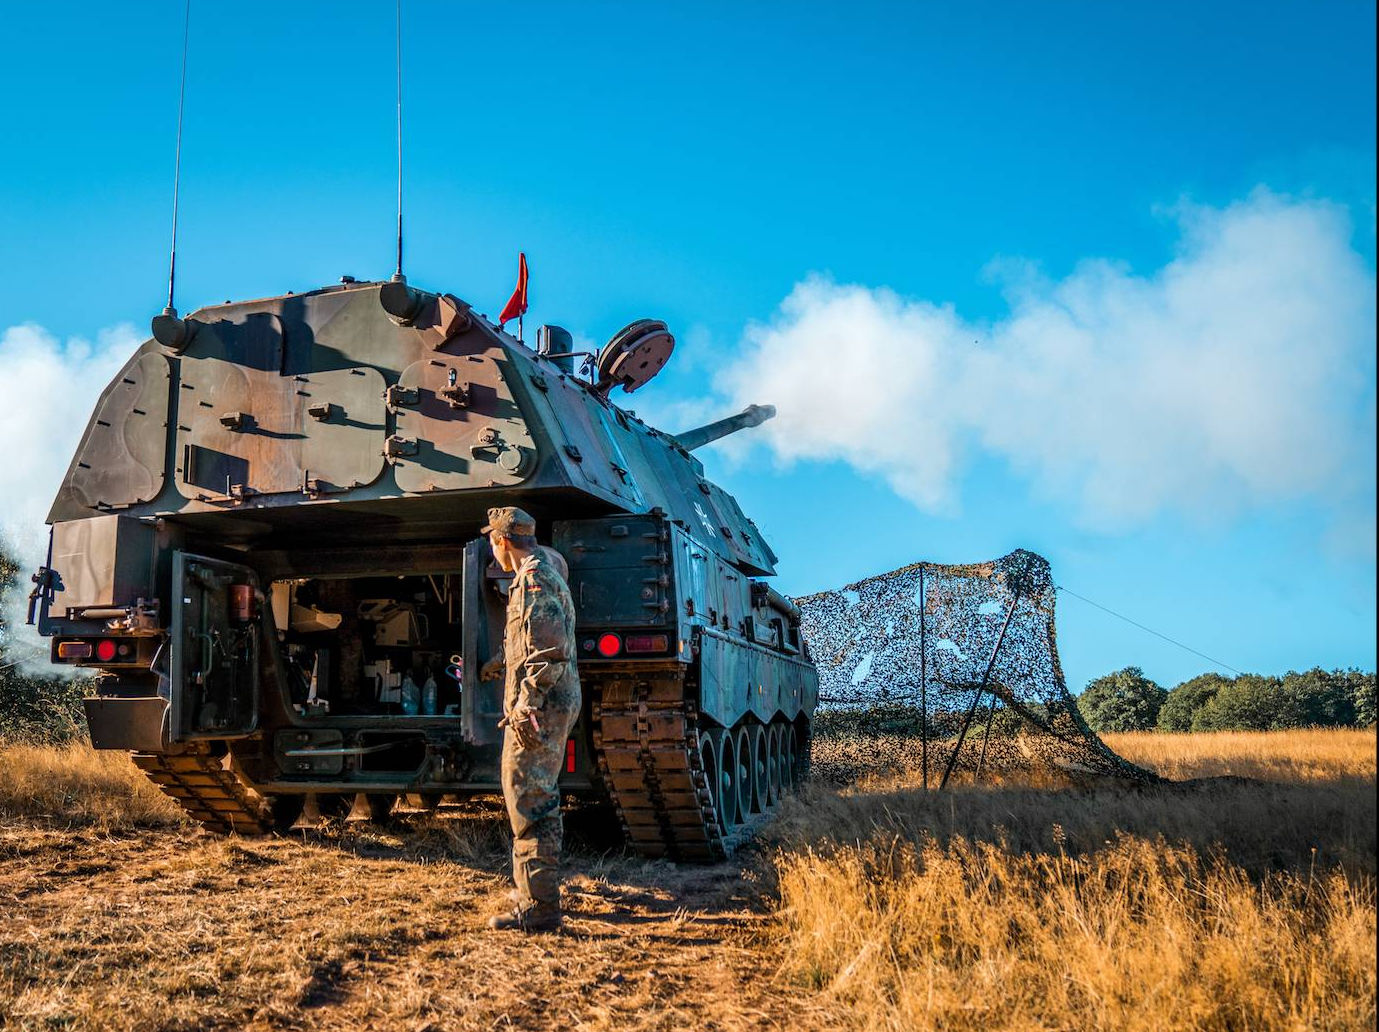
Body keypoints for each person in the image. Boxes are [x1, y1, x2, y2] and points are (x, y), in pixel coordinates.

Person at [480, 506, 581, 933]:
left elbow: (548, 650)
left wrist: (527, 701)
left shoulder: (534, 579)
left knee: (530, 800)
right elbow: (533, 638)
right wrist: (500, 662)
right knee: (531, 795)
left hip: (540, 707)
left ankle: (538, 910)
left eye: (492, 540)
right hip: (547, 702)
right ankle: (534, 895)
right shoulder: (536, 575)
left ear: (502, 541)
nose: (493, 548)